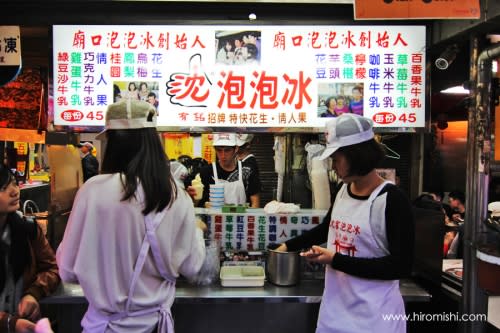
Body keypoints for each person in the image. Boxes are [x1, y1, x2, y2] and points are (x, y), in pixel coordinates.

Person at [56, 99, 206, 332]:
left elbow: (67, 269)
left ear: (113, 145)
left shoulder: (92, 191)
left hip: (102, 326)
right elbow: (193, 267)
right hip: (154, 325)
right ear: (153, 142)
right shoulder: (174, 194)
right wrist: (196, 229)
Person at [275, 114, 414, 333]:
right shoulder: (343, 191)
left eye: (337, 159)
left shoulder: (391, 200)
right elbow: (326, 228)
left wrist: (336, 260)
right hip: (335, 314)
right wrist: (287, 246)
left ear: (357, 156)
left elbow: (401, 265)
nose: (333, 166)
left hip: (375, 319)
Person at [0, 162, 60, 333]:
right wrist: (9, 323)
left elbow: (52, 268)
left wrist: (34, 292)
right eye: (3, 188)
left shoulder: (28, 229)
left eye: (13, 183)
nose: (14, 191)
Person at [188, 133, 260, 208]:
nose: (223, 155)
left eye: (227, 150)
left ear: (236, 149)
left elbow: (255, 201)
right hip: (214, 218)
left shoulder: (247, 170)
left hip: (241, 218)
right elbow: (198, 205)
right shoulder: (207, 171)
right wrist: (193, 197)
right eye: (219, 150)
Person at [236, 134, 262, 207]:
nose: (236, 147)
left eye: (239, 145)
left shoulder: (250, 164)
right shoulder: (237, 160)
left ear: (248, 145)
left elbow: (255, 197)